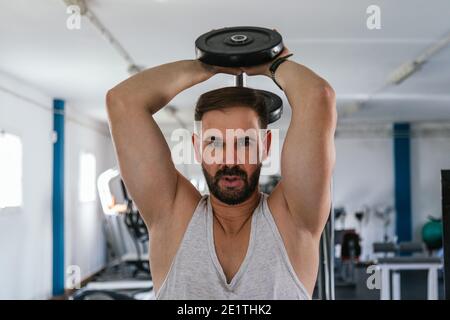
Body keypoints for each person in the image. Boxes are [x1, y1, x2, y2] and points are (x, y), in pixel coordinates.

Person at [106, 45, 336, 299]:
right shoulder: (172, 217)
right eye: (214, 142)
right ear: (197, 147)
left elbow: (318, 96)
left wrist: (275, 65)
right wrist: (209, 64)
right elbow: (122, 101)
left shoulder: (293, 221)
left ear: (266, 146)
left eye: (245, 142)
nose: (230, 159)